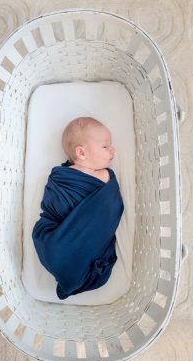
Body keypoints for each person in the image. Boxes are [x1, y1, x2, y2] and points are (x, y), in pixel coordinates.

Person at [32, 117, 124, 299]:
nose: (112, 150)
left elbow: (109, 207)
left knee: (62, 251)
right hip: (54, 234)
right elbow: (53, 206)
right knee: (56, 247)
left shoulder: (103, 177)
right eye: (105, 146)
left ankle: (69, 267)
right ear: (81, 153)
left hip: (68, 243)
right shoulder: (60, 178)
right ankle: (67, 263)